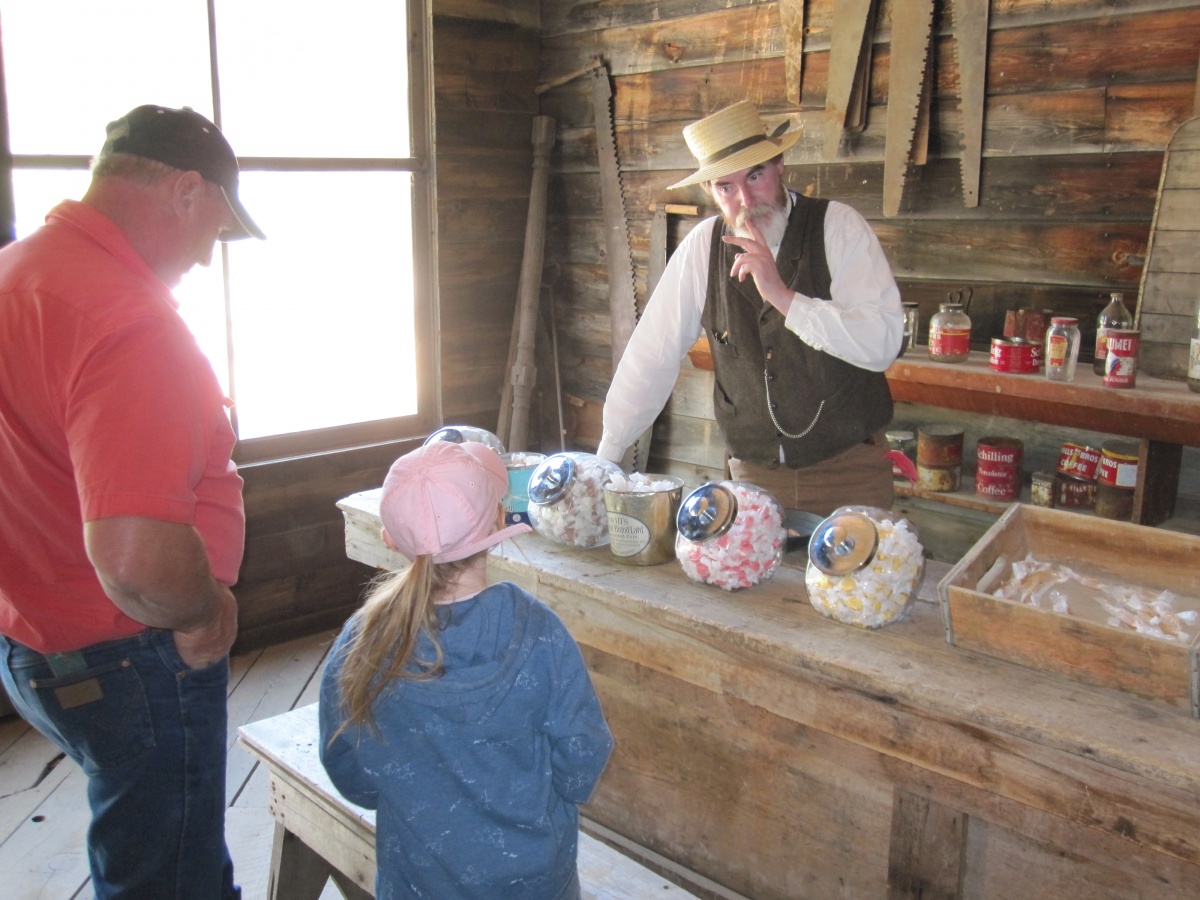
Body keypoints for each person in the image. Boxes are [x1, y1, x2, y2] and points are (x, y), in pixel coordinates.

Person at [0, 105, 264, 898]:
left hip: (34, 635)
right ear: (186, 190)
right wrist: (203, 612)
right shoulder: (126, 321)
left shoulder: (19, 275)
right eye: (215, 230)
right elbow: (136, 561)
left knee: (138, 840)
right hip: (129, 649)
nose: (208, 258)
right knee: (171, 874)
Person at [319, 440, 613, 900]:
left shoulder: (363, 637)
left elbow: (346, 764)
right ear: (498, 522)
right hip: (534, 881)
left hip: (417, 878)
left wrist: (410, 802)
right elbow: (582, 754)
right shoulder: (538, 631)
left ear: (392, 538)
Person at [597, 101, 904, 516]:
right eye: (726, 187)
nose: (745, 199)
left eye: (755, 176)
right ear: (710, 191)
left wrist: (783, 296)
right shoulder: (702, 248)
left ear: (780, 165)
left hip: (849, 471)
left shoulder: (838, 227)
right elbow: (652, 354)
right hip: (752, 480)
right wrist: (607, 457)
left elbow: (882, 342)